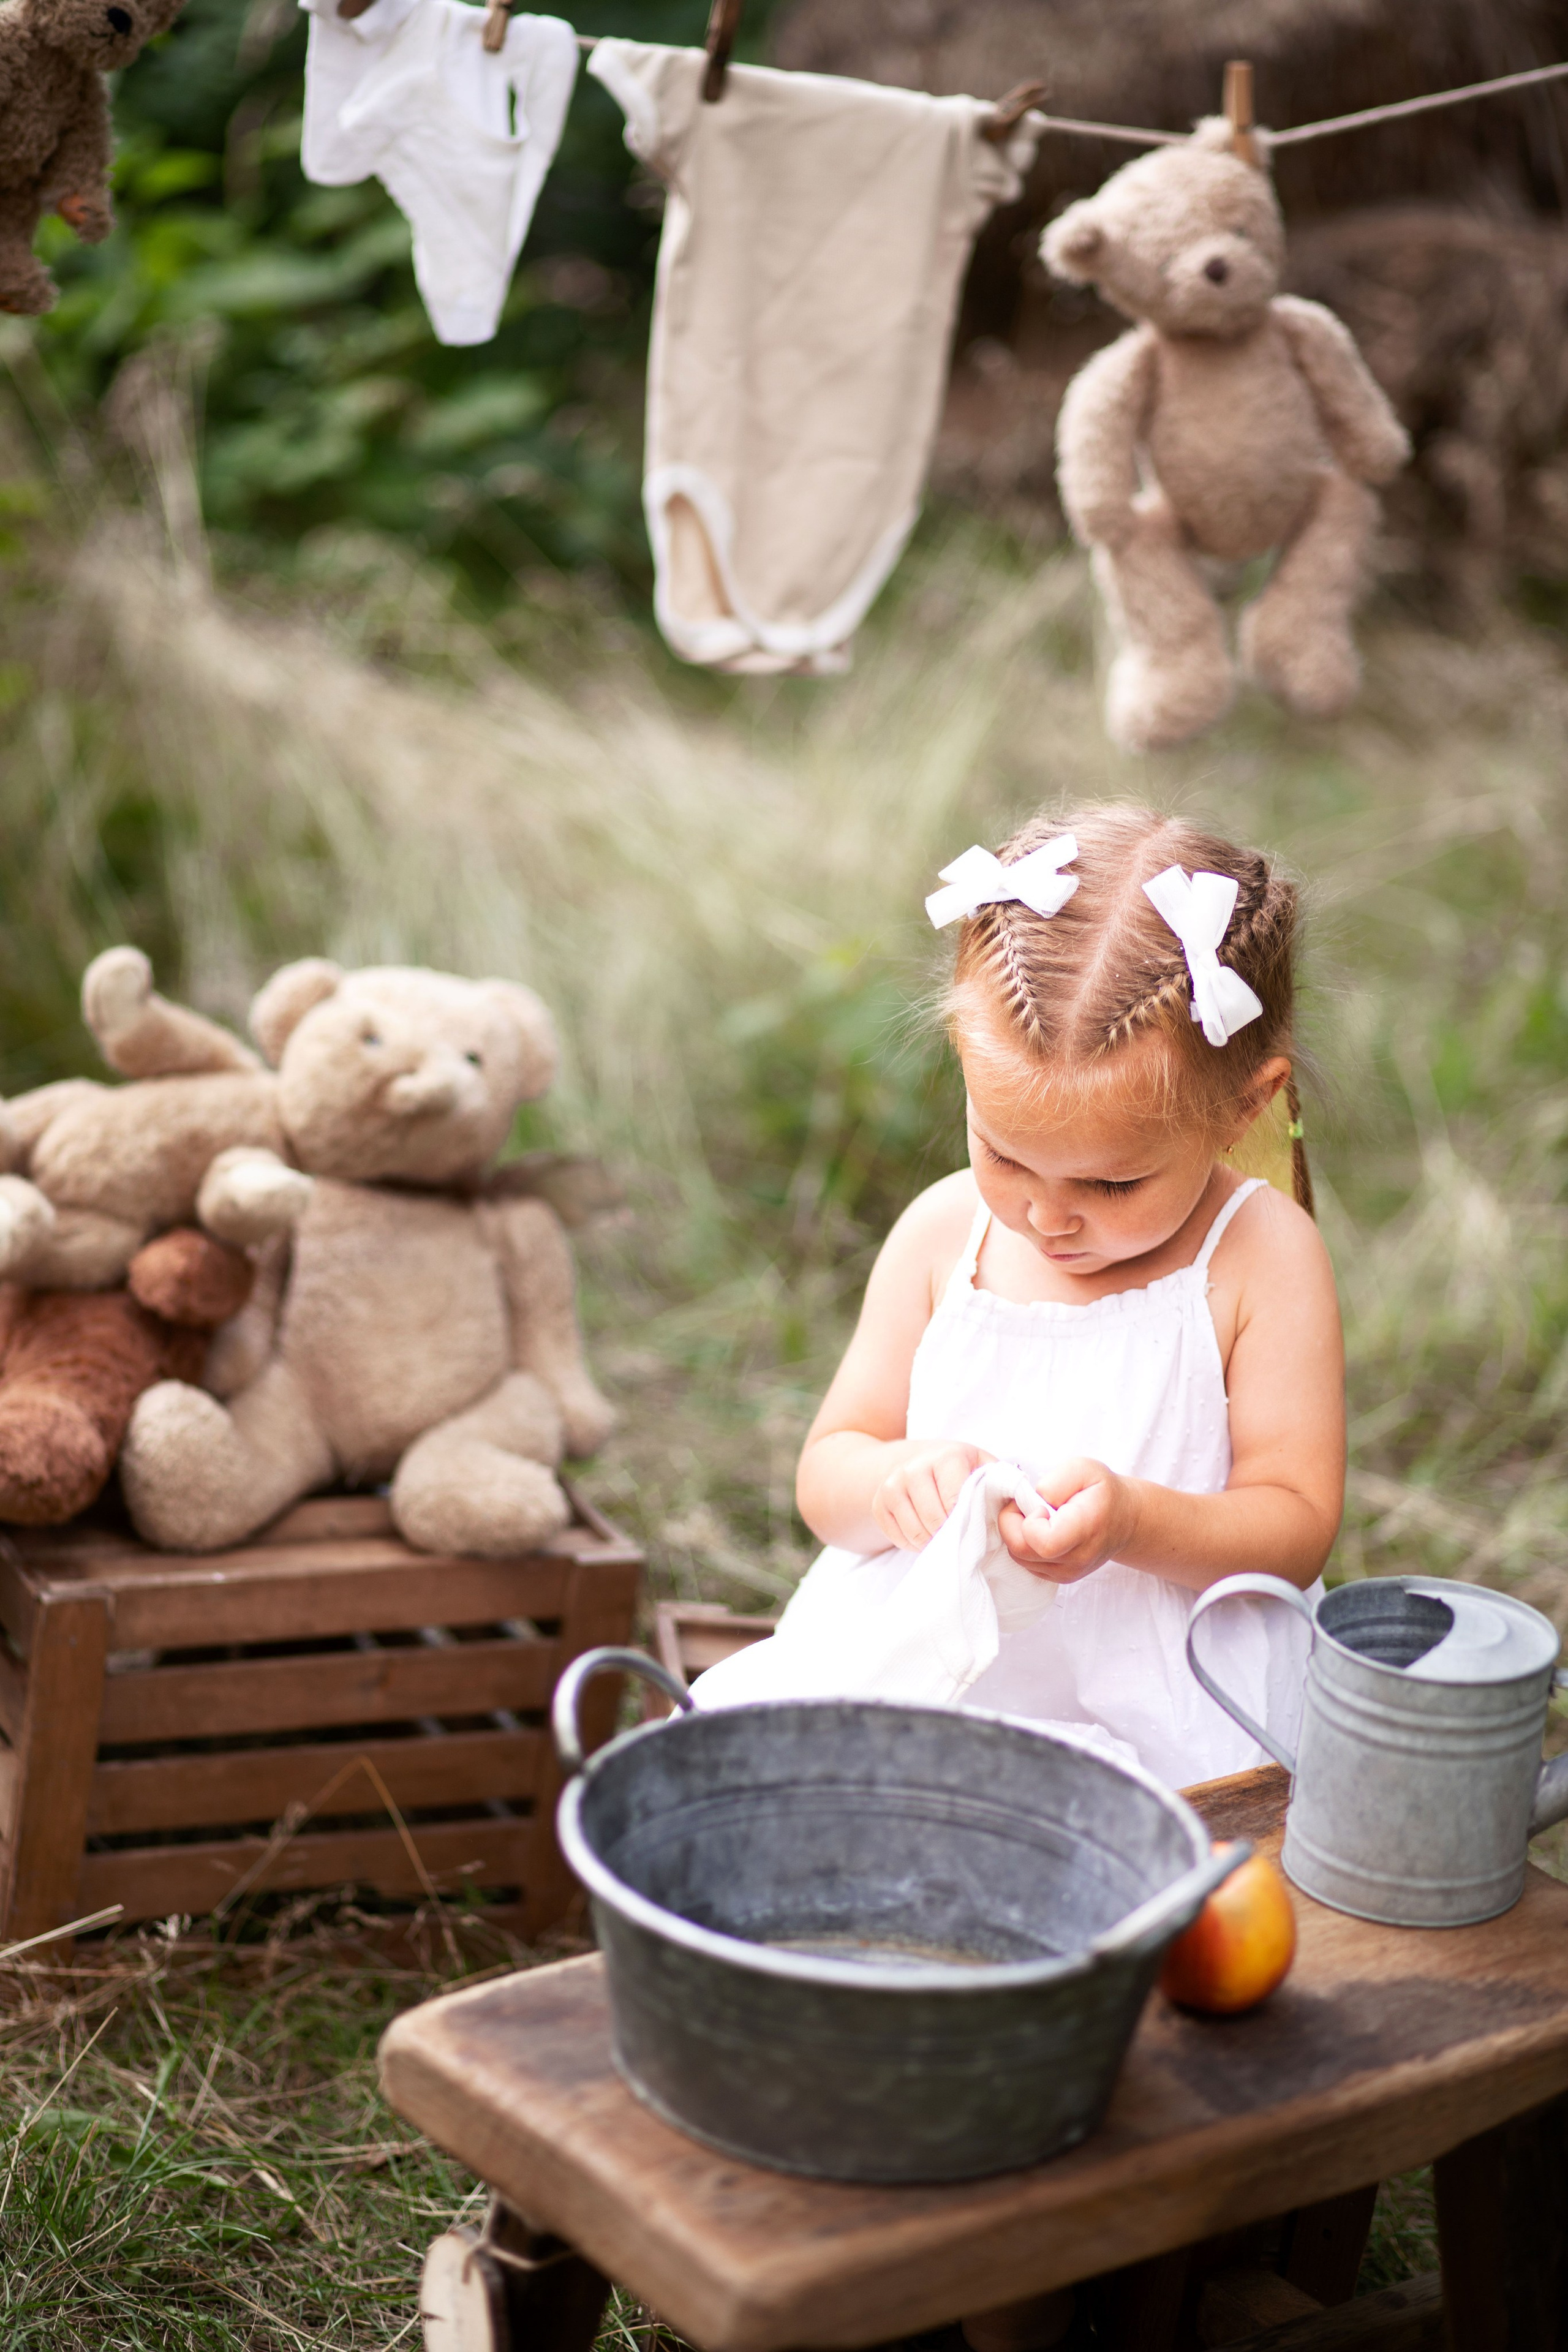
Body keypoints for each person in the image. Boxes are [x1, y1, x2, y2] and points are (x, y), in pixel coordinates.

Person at [692, 803, 1345, 1787]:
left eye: (1111, 1184)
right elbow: (828, 1473)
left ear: (1244, 1107)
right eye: (1005, 1156)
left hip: (1171, 1693)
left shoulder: (1260, 1256)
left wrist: (1133, 1522)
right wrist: (894, 1482)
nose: (1046, 1218)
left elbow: (1293, 1524)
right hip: (935, 1664)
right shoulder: (944, 1234)